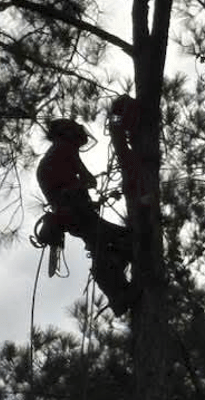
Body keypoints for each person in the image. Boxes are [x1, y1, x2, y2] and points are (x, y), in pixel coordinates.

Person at [35, 119, 135, 315]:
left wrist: (86, 197)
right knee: (126, 239)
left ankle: (119, 289)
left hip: (74, 217)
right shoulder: (64, 148)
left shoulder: (53, 155)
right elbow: (87, 179)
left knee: (103, 247)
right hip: (77, 214)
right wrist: (86, 186)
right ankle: (120, 294)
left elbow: (67, 190)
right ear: (68, 134)